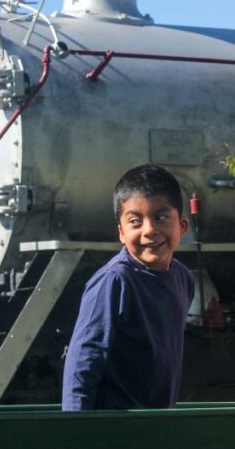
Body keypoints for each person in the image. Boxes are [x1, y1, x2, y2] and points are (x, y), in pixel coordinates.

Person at [62, 164, 194, 411]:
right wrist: (74, 431)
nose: (150, 230)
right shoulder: (114, 282)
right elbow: (83, 363)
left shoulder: (183, 279)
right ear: (121, 233)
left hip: (157, 424)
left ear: (183, 226)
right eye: (136, 221)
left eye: (161, 217)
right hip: (114, 429)